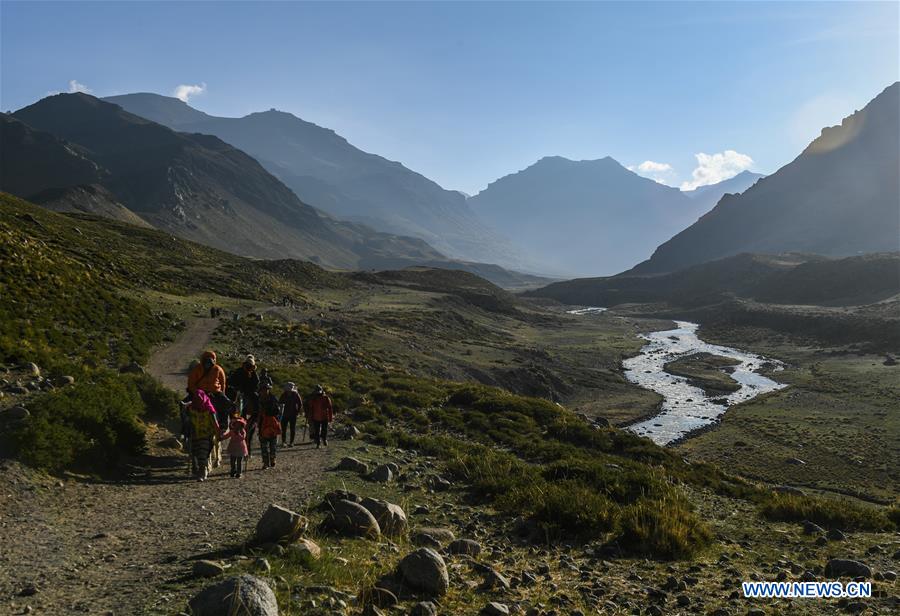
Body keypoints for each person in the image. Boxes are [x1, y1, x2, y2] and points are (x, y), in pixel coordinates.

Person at [188, 350, 230, 467]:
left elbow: (223, 383)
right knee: (184, 405)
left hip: (215, 392)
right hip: (200, 393)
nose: (208, 363)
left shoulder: (218, 369)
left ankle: (223, 425)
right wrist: (197, 393)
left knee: (227, 405)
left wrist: (222, 394)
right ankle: (186, 427)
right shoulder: (197, 369)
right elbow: (191, 383)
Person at [188, 389, 220, 481]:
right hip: (195, 435)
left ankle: (203, 472)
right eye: (196, 399)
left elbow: (215, 424)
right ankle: (198, 470)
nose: (198, 401)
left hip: (207, 436)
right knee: (196, 454)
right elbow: (189, 420)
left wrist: (218, 435)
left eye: (200, 399)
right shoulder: (191, 409)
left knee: (203, 454)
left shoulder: (210, 410)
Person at [257, 382, 283, 469]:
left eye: (266, 389)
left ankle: (272, 459)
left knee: (273, 445)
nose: (265, 391)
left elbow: (277, 411)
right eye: (263, 389)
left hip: (272, 423)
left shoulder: (273, 399)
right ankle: (265, 462)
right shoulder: (258, 400)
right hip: (262, 424)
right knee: (264, 446)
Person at [220, 412, 249, 478]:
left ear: (241, 425)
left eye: (239, 424)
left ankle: (239, 472)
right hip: (233, 447)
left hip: (241, 448)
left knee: (239, 461)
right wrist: (222, 437)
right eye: (236, 424)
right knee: (232, 460)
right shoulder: (232, 431)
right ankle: (233, 470)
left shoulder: (243, 431)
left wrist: (238, 433)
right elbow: (227, 435)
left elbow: (243, 437)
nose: (237, 425)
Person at [306, 384, 334, 449]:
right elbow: (310, 407)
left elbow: (330, 408)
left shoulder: (326, 398)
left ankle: (324, 439)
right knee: (317, 431)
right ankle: (318, 443)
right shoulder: (313, 398)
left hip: (324, 417)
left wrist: (330, 417)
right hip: (317, 417)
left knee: (324, 430)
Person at [279, 382, 303, 447]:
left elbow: (300, 403)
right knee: (283, 429)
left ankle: (291, 442)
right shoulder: (283, 395)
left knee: (292, 428)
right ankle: (284, 442)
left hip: (292, 414)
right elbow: (280, 403)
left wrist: (297, 412)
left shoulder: (295, 394)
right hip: (284, 414)